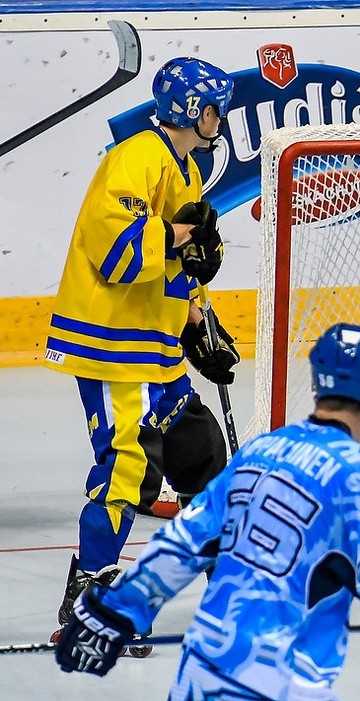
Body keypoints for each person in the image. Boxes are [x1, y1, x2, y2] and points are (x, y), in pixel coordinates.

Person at [53, 322, 360, 699]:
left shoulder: (260, 453)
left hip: (200, 677)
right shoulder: (357, 472)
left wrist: (107, 618)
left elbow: (178, 548)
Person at [43, 56, 241, 630]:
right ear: (187, 109)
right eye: (212, 107)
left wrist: (200, 319)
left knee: (200, 454)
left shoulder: (185, 170)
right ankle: (90, 601)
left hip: (154, 348)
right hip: (110, 347)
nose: (218, 117)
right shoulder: (134, 158)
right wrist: (178, 236)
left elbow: (183, 262)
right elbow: (121, 254)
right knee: (125, 468)